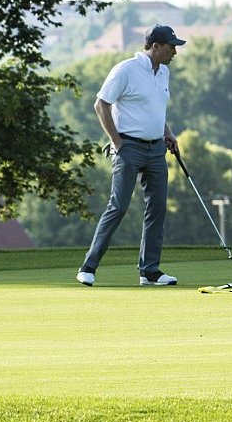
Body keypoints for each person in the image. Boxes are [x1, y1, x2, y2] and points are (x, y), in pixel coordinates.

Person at [77, 25, 185, 287]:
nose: (174, 52)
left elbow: (154, 110)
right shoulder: (126, 70)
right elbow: (101, 103)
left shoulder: (164, 72)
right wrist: (117, 141)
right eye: (171, 47)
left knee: (157, 208)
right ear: (155, 46)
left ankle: (150, 271)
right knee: (119, 207)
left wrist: (167, 132)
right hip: (129, 149)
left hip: (156, 149)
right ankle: (88, 267)